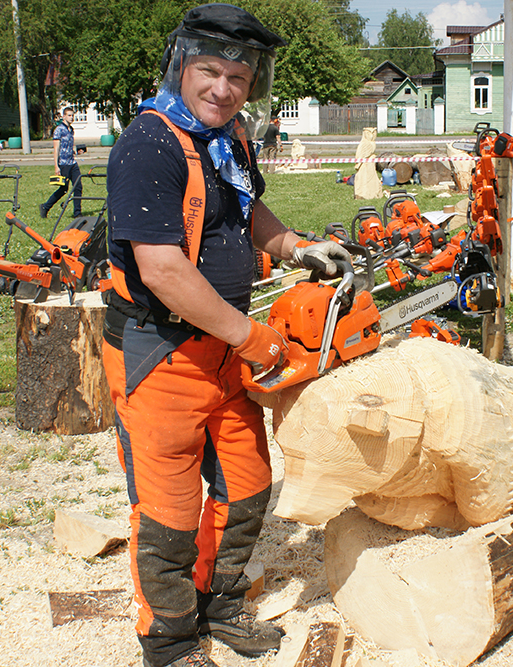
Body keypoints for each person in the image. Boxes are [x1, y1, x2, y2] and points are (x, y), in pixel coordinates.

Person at [102, 5, 350, 666]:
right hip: (161, 351)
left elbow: (247, 209)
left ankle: (221, 599)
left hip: (224, 352)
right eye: (211, 71)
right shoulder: (149, 144)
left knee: (246, 486)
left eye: (238, 76)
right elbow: (162, 268)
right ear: (182, 68)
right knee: (168, 511)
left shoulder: (229, 137)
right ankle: (171, 639)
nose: (223, 87)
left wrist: (298, 249)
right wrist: (252, 336)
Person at [40, 108, 81, 218]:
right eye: (69, 115)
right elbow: (56, 148)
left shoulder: (71, 130)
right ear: (64, 116)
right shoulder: (59, 130)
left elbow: (68, 147)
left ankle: (77, 213)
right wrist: (56, 166)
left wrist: (76, 151)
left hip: (72, 163)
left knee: (78, 186)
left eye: (72, 115)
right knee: (63, 189)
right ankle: (45, 207)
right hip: (63, 163)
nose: (71, 117)